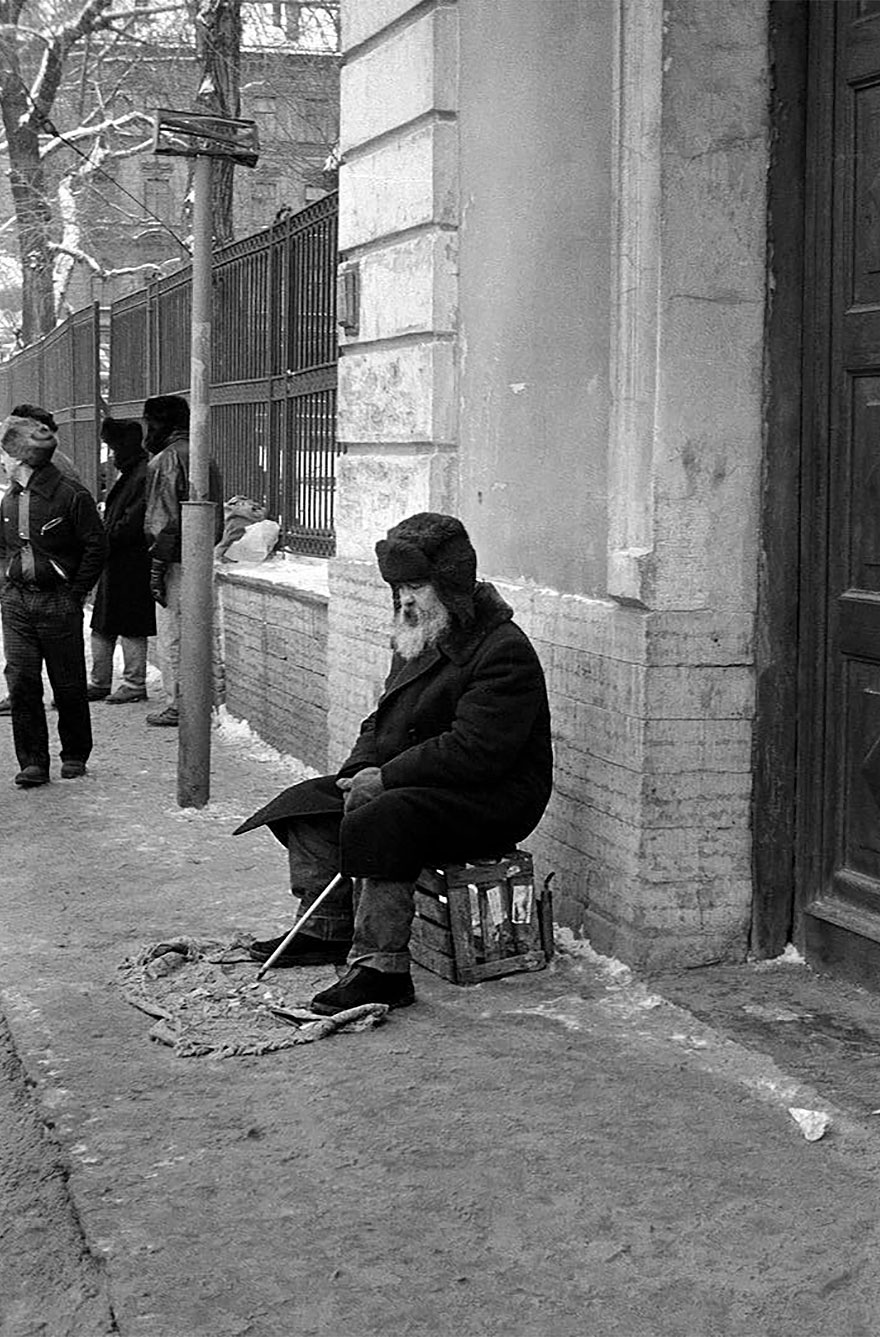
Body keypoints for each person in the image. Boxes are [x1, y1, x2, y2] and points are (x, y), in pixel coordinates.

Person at [235, 511, 554, 1016]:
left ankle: (382, 970)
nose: (405, 597)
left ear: (449, 584)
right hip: (425, 784)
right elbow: (382, 719)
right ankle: (326, 929)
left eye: (417, 584)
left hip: (493, 797)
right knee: (308, 805)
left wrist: (385, 779)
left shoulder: (501, 651)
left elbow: (476, 751)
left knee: (386, 818)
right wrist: (357, 768)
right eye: (399, 585)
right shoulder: (420, 633)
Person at [0, 413, 107, 786]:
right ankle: (33, 761)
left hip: (57, 601)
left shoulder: (71, 496)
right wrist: (6, 586)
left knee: (68, 682)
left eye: (7, 455)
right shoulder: (10, 500)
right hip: (16, 603)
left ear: (22, 458)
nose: (3, 462)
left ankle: (75, 753)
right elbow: (4, 548)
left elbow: (97, 546)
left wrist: (75, 592)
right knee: (22, 681)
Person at [142, 394, 223, 727]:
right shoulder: (203, 455)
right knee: (195, 632)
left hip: (175, 558)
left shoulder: (167, 459)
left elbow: (161, 520)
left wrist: (157, 566)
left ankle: (180, 703)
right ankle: (198, 699)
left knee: (174, 632)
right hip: (201, 554)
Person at [0, 402, 81, 717]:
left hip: (49, 575)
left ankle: (43, 698)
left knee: (49, 651)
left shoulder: (50, 468)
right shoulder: (40, 466)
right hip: (31, 574)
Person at [88, 418, 155, 704]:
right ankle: (102, 681)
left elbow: (133, 520)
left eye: (113, 448)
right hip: (119, 559)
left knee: (128, 623)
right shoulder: (134, 471)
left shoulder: (141, 474)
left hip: (131, 559)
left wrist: (106, 537)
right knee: (105, 623)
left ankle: (132, 683)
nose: (111, 455)